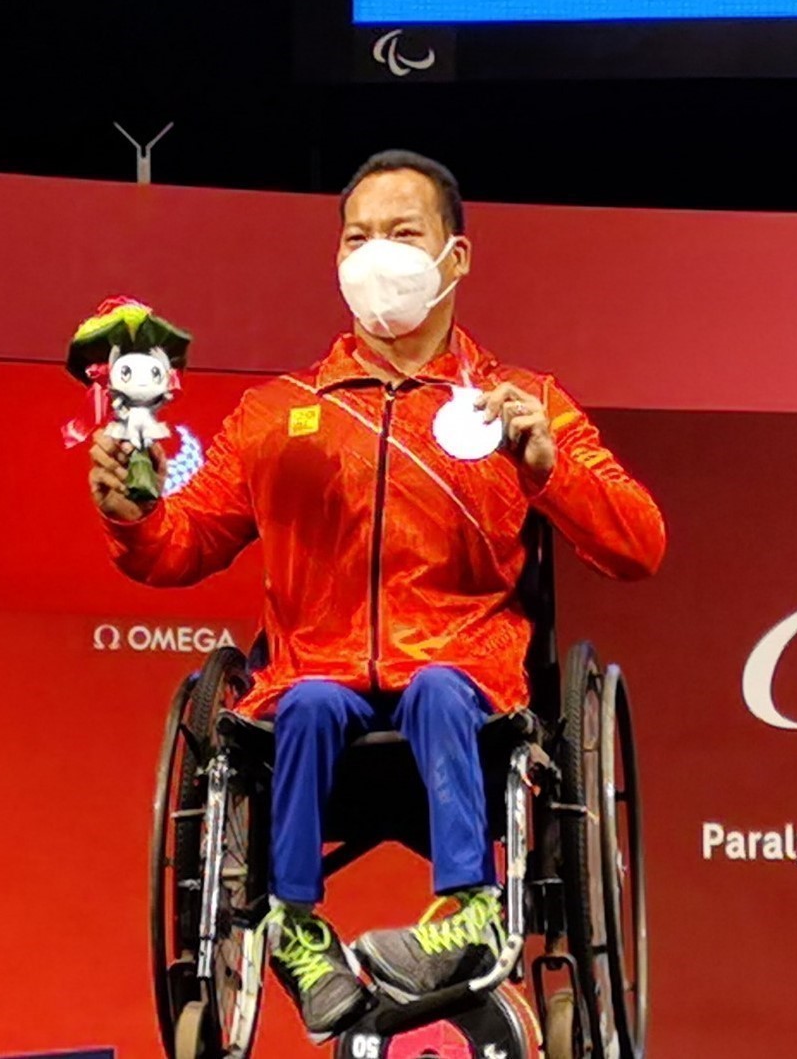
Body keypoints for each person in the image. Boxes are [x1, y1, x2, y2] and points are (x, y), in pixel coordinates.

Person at [90, 150, 666, 1041]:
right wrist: (133, 517)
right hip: (315, 676)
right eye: (357, 239)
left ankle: (473, 915)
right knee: (307, 703)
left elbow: (639, 543)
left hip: (463, 675)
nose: (376, 256)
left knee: (436, 687)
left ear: (455, 257)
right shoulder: (276, 414)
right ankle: (298, 931)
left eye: (402, 233)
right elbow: (179, 546)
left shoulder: (519, 405)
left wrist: (547, 471)